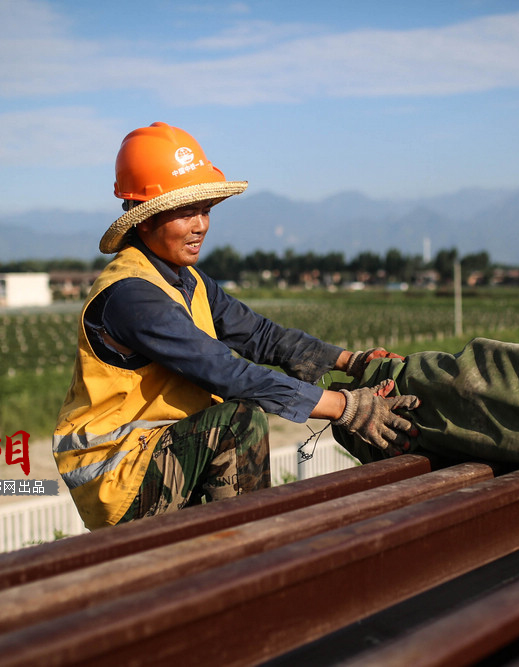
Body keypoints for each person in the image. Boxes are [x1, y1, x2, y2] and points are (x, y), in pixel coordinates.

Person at [54, 122, 420, 530]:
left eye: (205, 211)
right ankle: (250, 555)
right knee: (238, 421)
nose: (201, 226)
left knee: (230, 421)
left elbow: (260, 335)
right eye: (185, 212)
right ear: (146, 219)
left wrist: (352, 361)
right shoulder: (131, 295)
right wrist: (344, 408)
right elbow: (226, 373)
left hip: (167, 448)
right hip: (120, 473)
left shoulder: (185, 279)